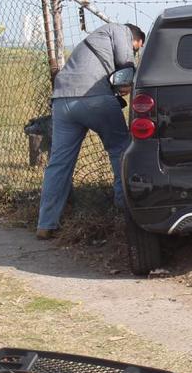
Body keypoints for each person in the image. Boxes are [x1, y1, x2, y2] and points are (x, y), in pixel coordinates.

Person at [35, 23, 145, 239]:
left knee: (59, 162)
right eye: (137, 47)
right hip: (94, 98)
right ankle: (124, 212)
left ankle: (45, 224)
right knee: (121, 150)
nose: (135, 50)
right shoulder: (120, 30)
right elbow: (126, 65)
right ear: (135, 36)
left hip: (62, 100)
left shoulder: (97, 38)